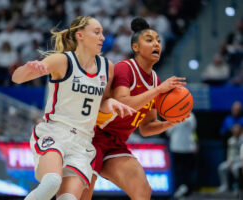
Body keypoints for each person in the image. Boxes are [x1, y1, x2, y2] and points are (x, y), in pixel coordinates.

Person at [11, 16, 135, 200]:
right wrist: (29, 68)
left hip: (83, 142)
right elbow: (17, 78)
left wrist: (111, 104)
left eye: (102, 33)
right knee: (52, 181)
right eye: (97, 32)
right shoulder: (62, 61)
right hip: (55, 131)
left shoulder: (107, 67)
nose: (102, 37)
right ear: (80, 35)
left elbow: (101, 102)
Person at [81, 17, 187, 200]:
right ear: (136, 48)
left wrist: (170, 123)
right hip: (90, 138)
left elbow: (146, 128)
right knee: (82, 196)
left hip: (115, 144)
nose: (156, 44)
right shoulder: (125, 69)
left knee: (143, 191)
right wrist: (159, 91)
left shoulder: (155, 80)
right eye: (149, 40)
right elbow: (123, 104)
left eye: (158, 41)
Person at [166, 112, 198, 198]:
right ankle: (178, 189)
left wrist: (195, 143)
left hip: (188, 149)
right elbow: (168, 132)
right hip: (176, 148)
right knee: (177, 171)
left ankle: (187, 191)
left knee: (187, 171)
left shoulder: (191, 116)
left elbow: (193, 130)